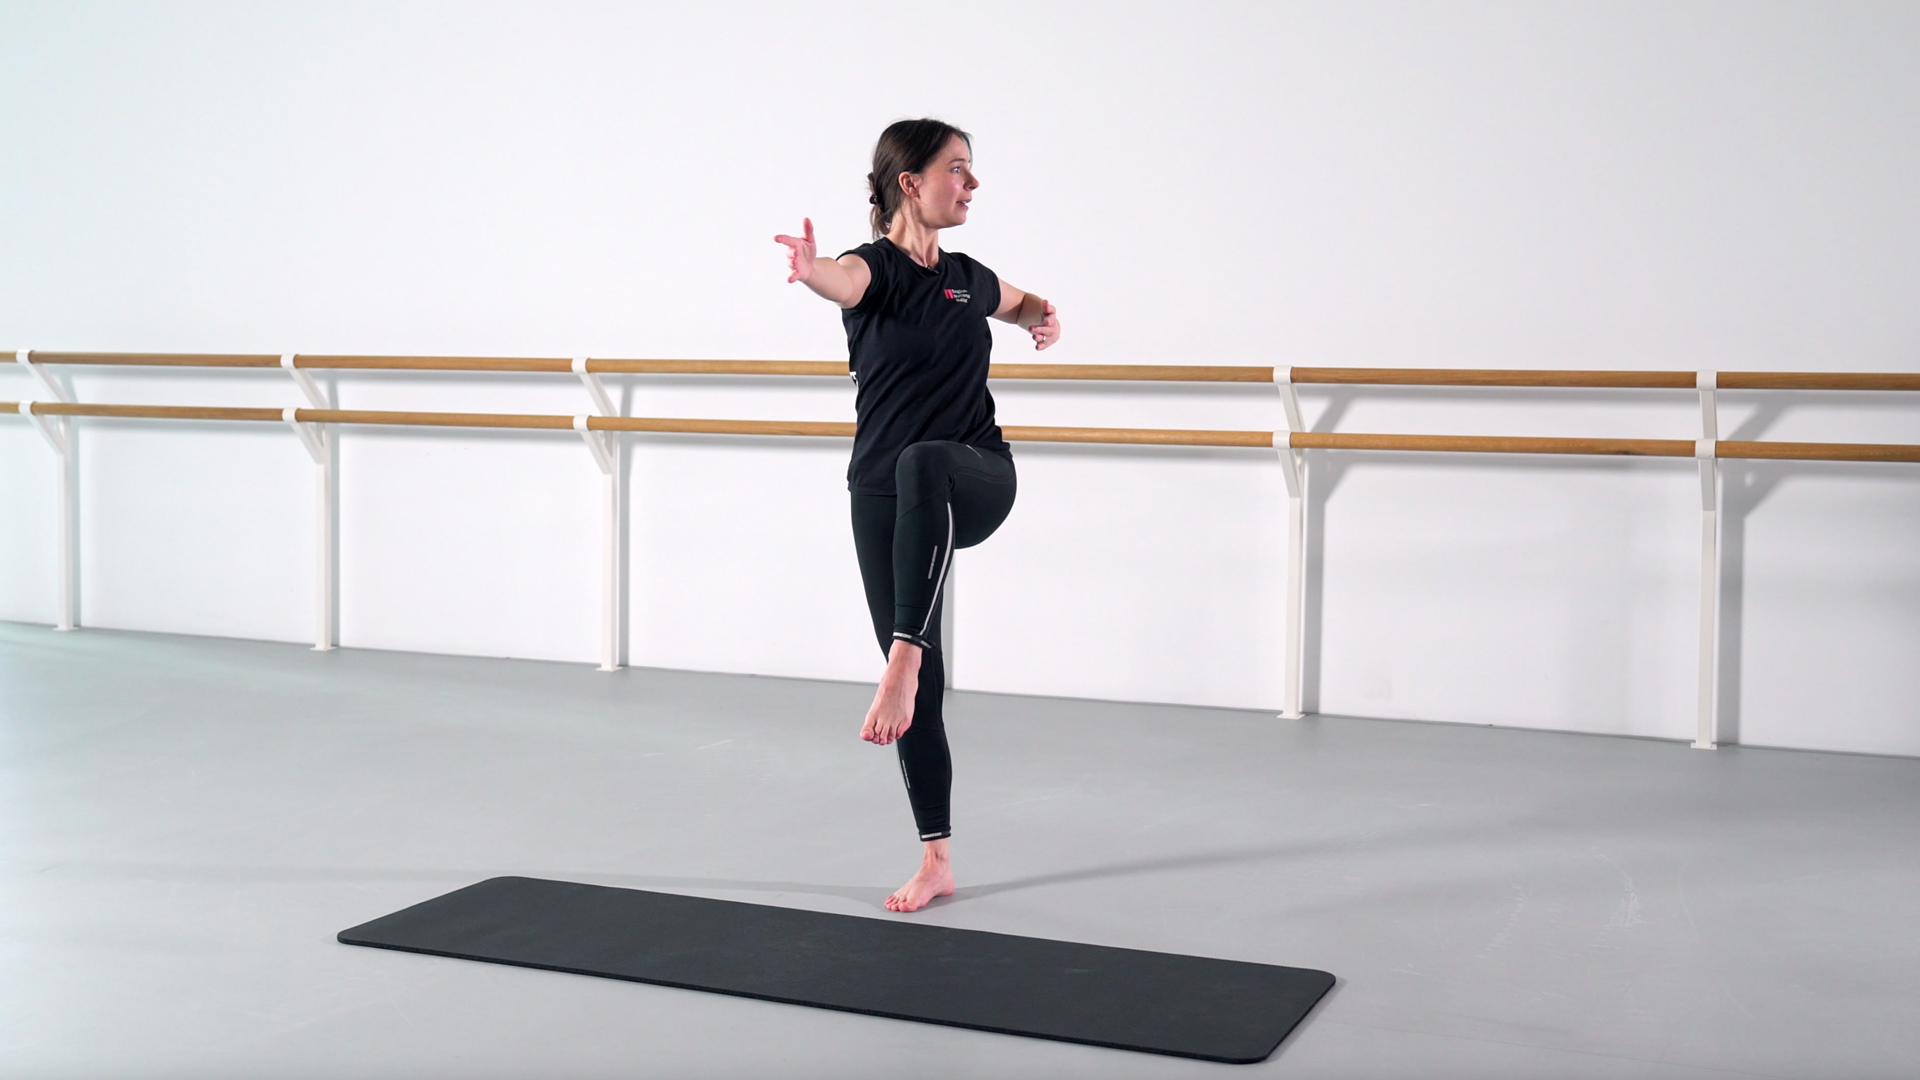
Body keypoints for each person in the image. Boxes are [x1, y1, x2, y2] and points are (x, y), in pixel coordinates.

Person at [775, 119, 1060, 912]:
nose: (971, 186)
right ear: (910, 183)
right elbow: (843, 281)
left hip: (974, 476)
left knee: (924, 459)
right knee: (924, 695)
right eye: (957, 171)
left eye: (971, 173)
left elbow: (1024, 300)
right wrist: (808, 271)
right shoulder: (874, 272)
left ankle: (902, 656)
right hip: (884, 497)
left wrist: (1043, 316)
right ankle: (936, 857)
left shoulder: (967, 277)